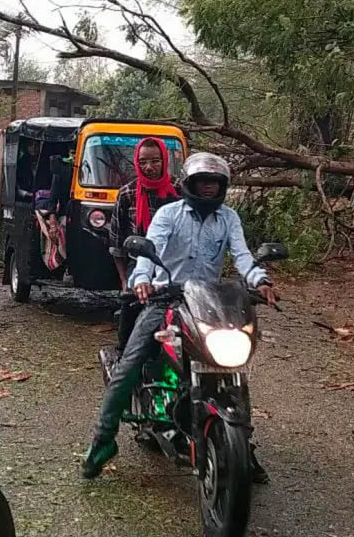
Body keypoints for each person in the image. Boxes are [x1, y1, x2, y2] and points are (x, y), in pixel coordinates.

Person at [83, 152, 277, 482]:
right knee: (129, 365)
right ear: (188, 184)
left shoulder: (228, 218)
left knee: (232, 366)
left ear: (223, 187)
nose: (208, 189)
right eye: (202, 183)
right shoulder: (169, 215)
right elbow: (150, 248)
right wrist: (142, 279)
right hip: (165, 298)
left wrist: (260, 281)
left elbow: (242, 255)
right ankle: (102, 440)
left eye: (214, 184)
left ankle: (242, 444)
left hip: (208, 303)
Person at [108, 137, 182, 350]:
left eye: (155, 161)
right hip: (138, 262)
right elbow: (116, 242)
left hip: (173, 263)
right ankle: (125, 356)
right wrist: (124, 280)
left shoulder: (180, 191)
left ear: (164, 160)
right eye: (143, 162)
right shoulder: (127, 194)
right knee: (131, 305)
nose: (149, 167)